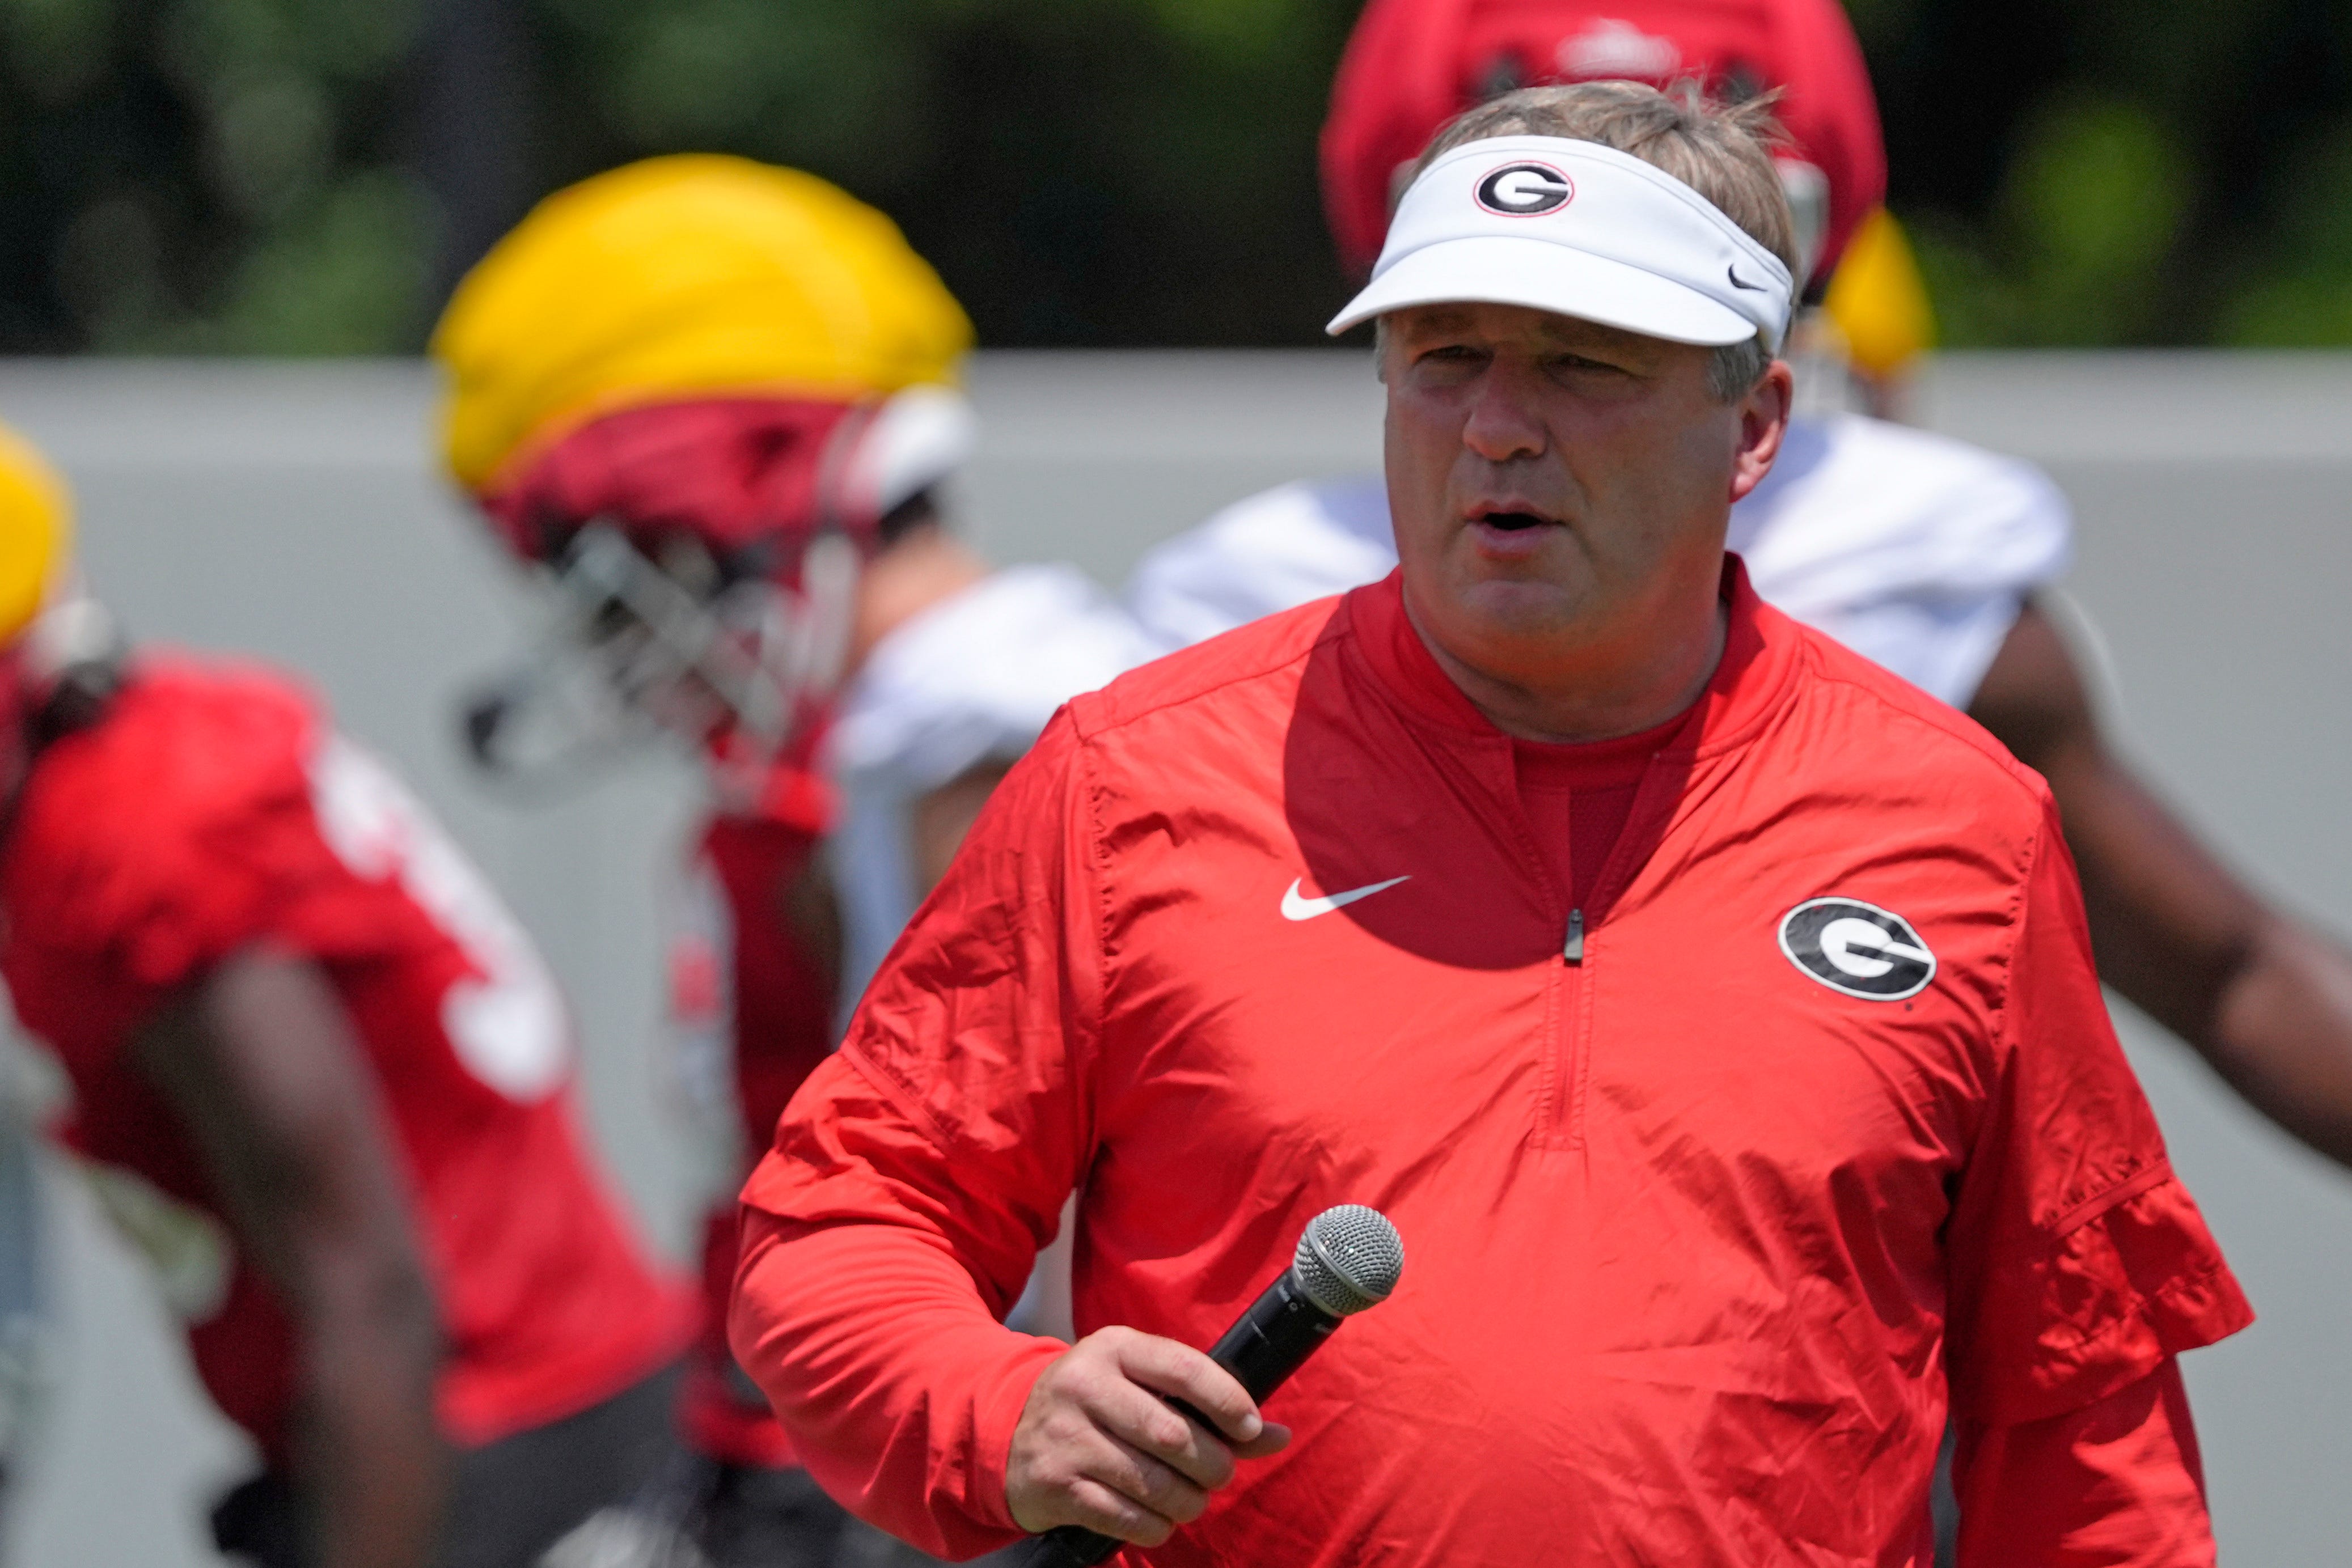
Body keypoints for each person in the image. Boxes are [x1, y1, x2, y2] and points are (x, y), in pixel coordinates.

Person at [730, 83, 2253, 1565]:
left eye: (1586, 363)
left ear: (1754, 425)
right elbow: (838, 1231)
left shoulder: (1958, 820)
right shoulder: (1130, 776)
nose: (1497, 428)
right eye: (1441, 356)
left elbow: (2078, 1411)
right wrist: (995, 1405)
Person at [1129, 0, 2352, 1174]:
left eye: (1594, 344)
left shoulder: (1904, 560)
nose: (1509, 424)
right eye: (1463, 343)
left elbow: (2225, 980)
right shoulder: (1230, 621)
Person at [432, 154, 1072, 1567]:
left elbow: (1055, 1250)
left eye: (626, 570)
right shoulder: (841, 760)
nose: (617, 648)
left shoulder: (974, 733)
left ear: (729, 508)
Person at [0, 419, 696, 1568]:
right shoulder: (145, 749)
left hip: (486, 1447)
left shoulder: (127, 838)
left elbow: (368, 1284)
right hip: (463, 1422)